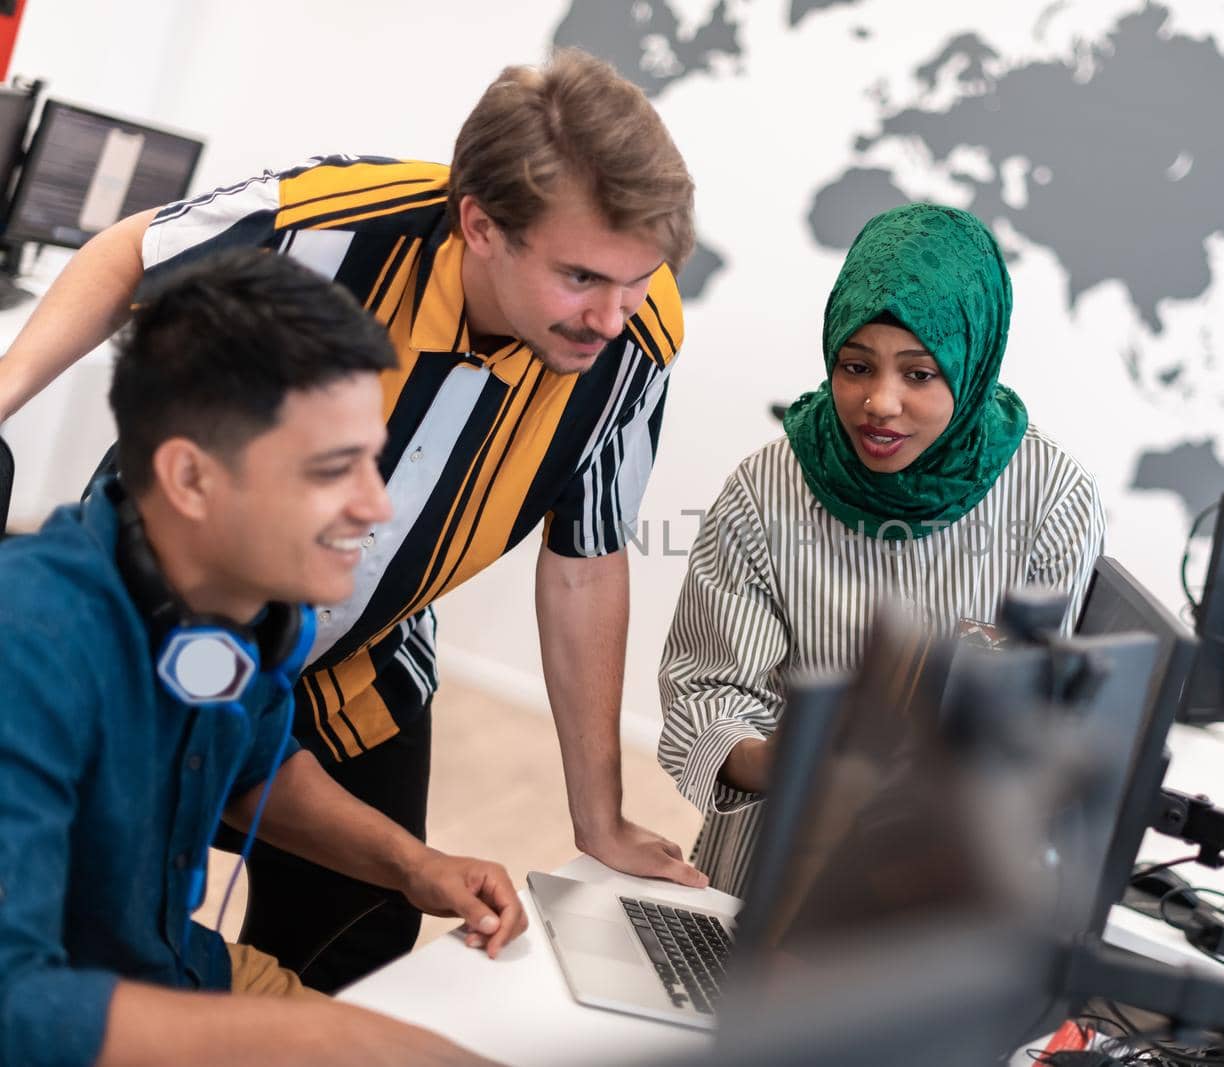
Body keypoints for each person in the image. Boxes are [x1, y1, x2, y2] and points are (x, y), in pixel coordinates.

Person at [0, 49, 705, 992]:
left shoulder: (631, 324)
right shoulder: (327, 225)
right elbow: (136, 251)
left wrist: (599, 815)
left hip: (366, 653)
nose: (616, 317)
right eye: (582, 277)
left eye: (639, 280)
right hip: (178, 617)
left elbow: (585, 553)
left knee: (361, 932)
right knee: (102, 898)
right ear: (481, 226)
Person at [0, 250, 526, 1066]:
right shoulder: (28, 645)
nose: (377, 504)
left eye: (373, 459)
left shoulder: (236, 611)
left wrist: (414, 863)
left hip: (180, 970)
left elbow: (252, 770)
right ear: (191, 477)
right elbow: (14, 1010)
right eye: (332, 470)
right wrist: (333, 1037)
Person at [657, 203, 1106, 896]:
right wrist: (783, 759)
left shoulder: (1051, 499)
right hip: (766, 872)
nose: (880, 403)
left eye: (920, 374)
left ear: (971, 359)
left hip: (942, 888)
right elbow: (706, 691)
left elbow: (1040, 719)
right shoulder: (764, 489)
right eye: (856, 365)